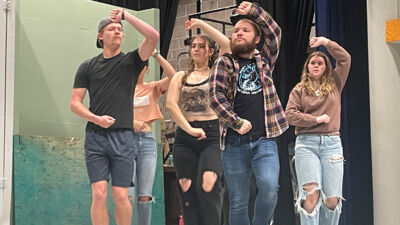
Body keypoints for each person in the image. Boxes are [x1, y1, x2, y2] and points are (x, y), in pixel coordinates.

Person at [70, 8, 159, 225]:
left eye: (120, 29)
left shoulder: (131, 61)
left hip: (123, 138)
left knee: (121, 195)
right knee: (99, 194)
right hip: (95, 137)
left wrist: (126, 16)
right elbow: (74, 103)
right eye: (112, 29)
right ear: (100, 36)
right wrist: (96, 119)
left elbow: (153, 36)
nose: (118, 31)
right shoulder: (87, 67)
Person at [208, 2, 288, 225]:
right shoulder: (224, 62)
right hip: (234, 142)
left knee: (270, 187)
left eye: (245, 30)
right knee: (239, 201)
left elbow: (275, 32)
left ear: (256, 39)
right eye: (235, 31)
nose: (239, 33)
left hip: (265, 139)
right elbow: (216, 97)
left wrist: (253, 11)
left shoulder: (265, 60)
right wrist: (235, 122)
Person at [165, 18, 230, 225]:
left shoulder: (216, 73)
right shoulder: (180, 76)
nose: (196, 49)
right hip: (185, 134)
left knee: (208, 182)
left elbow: (227, 45)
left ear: (211, 51)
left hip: (211, 134)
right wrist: (189, 129)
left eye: (201, 46)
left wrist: (201, 24)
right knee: (186, 185)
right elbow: (171, 106)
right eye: (193, 46)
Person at [285, 36, 351, 225]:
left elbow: (345, 59)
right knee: (311, 197)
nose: (315, 65)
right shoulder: (299, 90)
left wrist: (326, 43)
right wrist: (315, 119)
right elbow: (290, 115)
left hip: (331, 144)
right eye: (312, 62)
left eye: (320, 62)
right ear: (307, 67)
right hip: (307, 144)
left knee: (332, 199)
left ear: (326, 67)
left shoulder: (335, 84)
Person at [128, 49, 176, 225]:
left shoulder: (152, 88)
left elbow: (173, 76)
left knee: (144, 195)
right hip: (126, 140)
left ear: (146, 69)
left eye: (142, 66)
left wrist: (156, 55)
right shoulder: (122, 90)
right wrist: (131, 122)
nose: (138, 69)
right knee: (128, 193)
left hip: (147, 142)